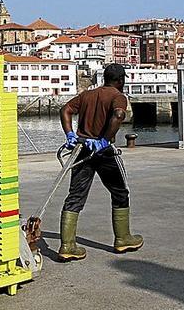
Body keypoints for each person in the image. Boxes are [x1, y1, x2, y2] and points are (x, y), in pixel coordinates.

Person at [57, 63, 143, 261]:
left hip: (82, 150)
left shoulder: (87, 95)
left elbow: (65, 109)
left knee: (76, 195)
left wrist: (70, 134)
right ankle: (122, 238)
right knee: (120, 192)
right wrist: (105, 138)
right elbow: (119, 114)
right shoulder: (117, 96)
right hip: (103, 152)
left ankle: (67, 245)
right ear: (121, 80)